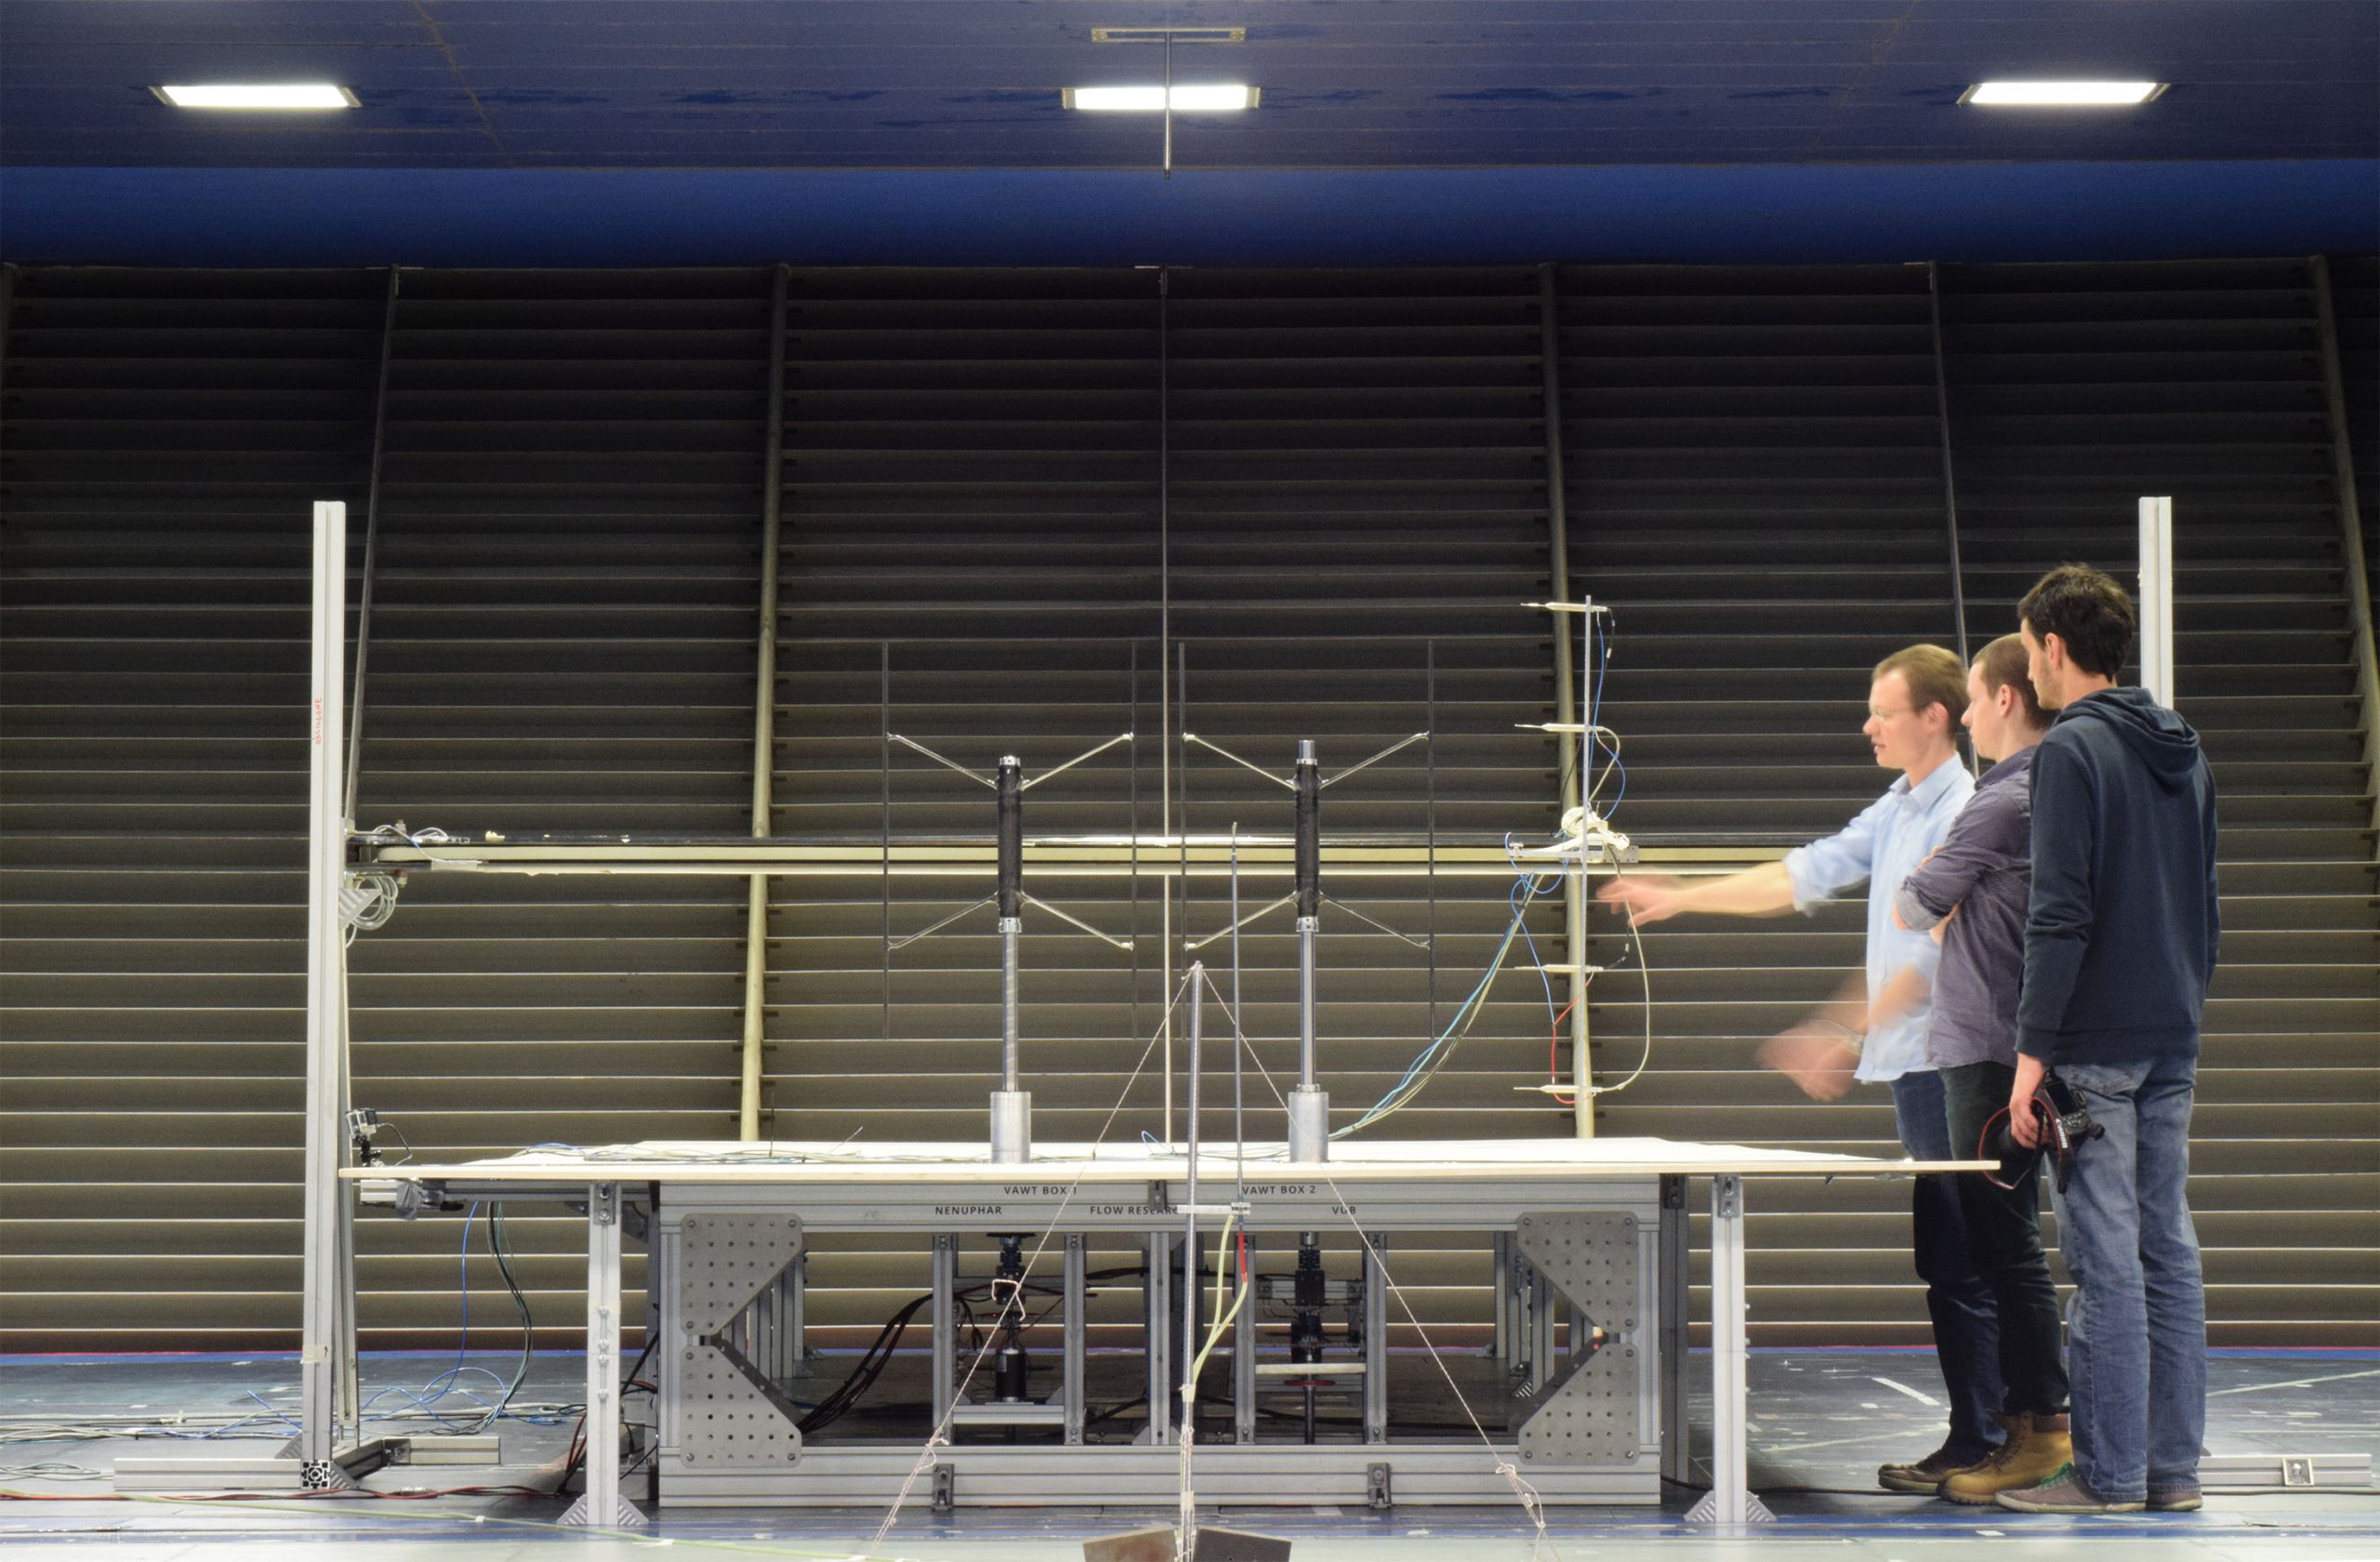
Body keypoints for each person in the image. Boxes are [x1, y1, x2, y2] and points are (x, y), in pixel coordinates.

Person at [1599, 644, 2004, 1491]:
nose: (1868, 725)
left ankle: (1990, 1439)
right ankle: (1981, 1432)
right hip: (1914, 1068)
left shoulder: (1964, 813)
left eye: (1882, 711)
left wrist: (1839, 1027)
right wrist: (1682, 896)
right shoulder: (1897, 809)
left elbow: (1937, 958)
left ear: (1934, 717)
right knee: (1948, 1254)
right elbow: (1804, 872)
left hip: (1956, 1065)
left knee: (1970, 1257)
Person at [1992, 563, 2219, 1516]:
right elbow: (2205, 902)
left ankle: (2111, 1476)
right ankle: (2170, 1474)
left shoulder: (2069, 754)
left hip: (2093, 1044)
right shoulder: (2186, 748)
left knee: (2104, 1256)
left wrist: (2031, 1052)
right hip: (2171, 1028)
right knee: (2166, 1248)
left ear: (2050, 646)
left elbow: (2060, 915)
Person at [1890, 634, 2069, 1502]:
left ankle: (2032, 1429)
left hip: (1989, 1048)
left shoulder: (2003, 802)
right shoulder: (2042, 792)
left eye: (1972, 698)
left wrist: (1938, 901)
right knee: (2005, 1245)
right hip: (1998, 1043)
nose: (1964, 715)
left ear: (2005, 698)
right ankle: (2023, 1429)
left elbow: (1914, 901)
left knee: (2006, 1246)